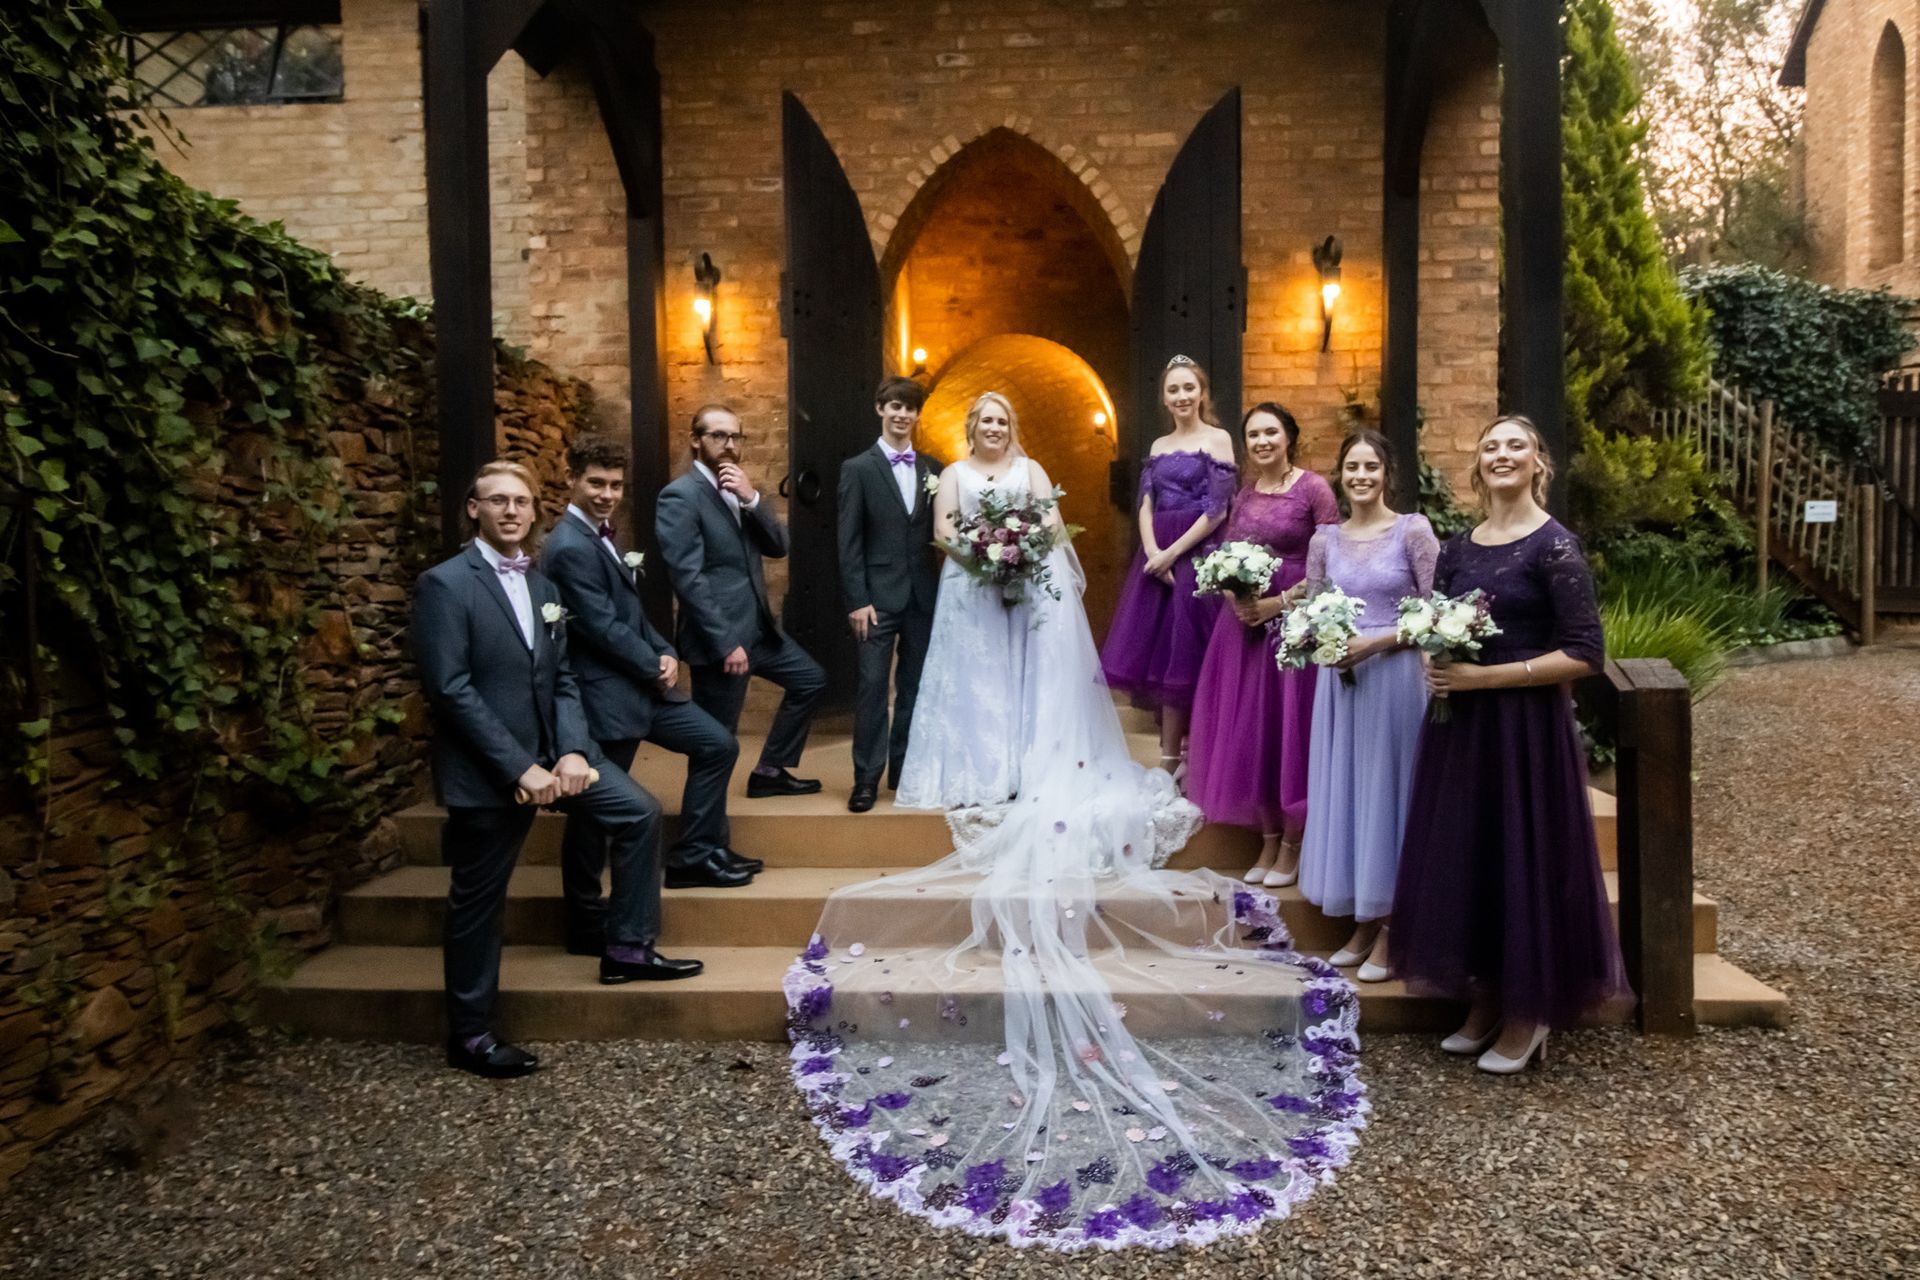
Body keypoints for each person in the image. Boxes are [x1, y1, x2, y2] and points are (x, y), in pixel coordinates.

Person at [790, 390, 1368, 1251]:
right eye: (983, 422)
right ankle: (965, 770)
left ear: (1013, 429)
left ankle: (1025, 768)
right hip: (971, 591)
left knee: (1022, 690)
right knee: (970, 690)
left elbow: (1054, 532)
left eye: (1000, 422)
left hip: (1022, 590)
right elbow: (946, 533)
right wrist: (986, 550)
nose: (993, 431)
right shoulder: (951, 477)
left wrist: (1034, 555)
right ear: (971, 430)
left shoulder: (1031, 471)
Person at [411, 461, 701, 1079]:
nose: (511, 511)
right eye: (498, 501)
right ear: (474, 509)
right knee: (479, 902)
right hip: (491, 770)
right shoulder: (444, 584)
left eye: (521, 501)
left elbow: (563, 677)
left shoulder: (542, 587)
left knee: (638, 811)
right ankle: (471, 1034)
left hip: (561, 755)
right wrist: (521, 768)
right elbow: (451, 689)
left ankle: (626, 946)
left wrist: (570, 750)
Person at [1391, 415, 1627, 1074]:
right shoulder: (1460, 546)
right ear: (1479, 465)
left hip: (1524, 730)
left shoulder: (1556, 548)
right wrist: (1434, 665)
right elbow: (1432, 619)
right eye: (1490, 445)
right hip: (1462, 730)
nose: (1501, 454)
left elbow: (1586, 651)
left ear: (1537, 462)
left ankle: (1531, 1012)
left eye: (1515, 445)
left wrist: (1485, 678)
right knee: (1472, 855)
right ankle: (1487, 995)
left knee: (1522, 859)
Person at [542, 435, 759, 915]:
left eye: (615, 485)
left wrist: (664, 650)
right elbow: (599, 627)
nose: (606, 494)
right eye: (596, 483)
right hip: (606, 695)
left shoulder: (603, 533)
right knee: (593, 814)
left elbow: (631, 614)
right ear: (571, 480)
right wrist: (651, 664)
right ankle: (582, 910)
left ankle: (695, 854)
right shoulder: (567, 546)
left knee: (717, 744)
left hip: (644, 684)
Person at [1296, 430, 1438, 983]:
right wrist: (1321, 646)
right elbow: (1308, 612)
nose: (1360, 476)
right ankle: (1364, 916)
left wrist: (1375, 643)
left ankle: (1393, 928)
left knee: (1390, 794)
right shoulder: (1324, 540)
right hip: (1341, 686)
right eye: (1351, 466)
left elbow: (1435, 611)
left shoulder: (1413, 531)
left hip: (1397, 679)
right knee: (1352, 795)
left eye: (1371, 466)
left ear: (1387, 473)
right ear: (1340, 474)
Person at [1185, 403, 1340, 887]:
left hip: (1295, 627)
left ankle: (1294, 843)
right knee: (1256, 733)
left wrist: (1278, 605)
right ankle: (1269, 839)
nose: (1262, 441)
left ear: (1289, 437)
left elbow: (1333, 563)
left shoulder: (1313, 489)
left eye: (1271, 432)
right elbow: (1228, 555)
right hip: (1244, 632)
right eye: (1253, 434)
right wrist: (1236, 596)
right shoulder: (1246, 495)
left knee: (1289, 731)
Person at [655, 405, 825, 798]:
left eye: (735, 437)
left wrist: (752, 499)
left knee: (810, 680)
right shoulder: (680, 496)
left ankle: (769, 770)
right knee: (717, 743)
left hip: (759, 631)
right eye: (718, 436)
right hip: (720, 642)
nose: (729, 445)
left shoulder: (738, 490)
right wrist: (725, 642)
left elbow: (779, 546)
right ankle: (702, 845)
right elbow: (689, 579)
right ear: (696, 441)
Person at [1099, 355, 1239, 784]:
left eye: (1188, 388)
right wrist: (1151, 551)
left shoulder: (1218, 440)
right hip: (1155, 557)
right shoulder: (1158, 447)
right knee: (1161, 659)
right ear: (1164, 397)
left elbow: (1217, 510)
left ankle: (1198, 758)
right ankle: (1166, 762)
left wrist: (1172, 553)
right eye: (1173, 390)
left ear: (1201, 393)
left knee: (1190, 656)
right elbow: (1145, 504)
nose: (1181, 396)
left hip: (1197, 553)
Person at [838, 376, 943, 813]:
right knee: (872, 688)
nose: (901, 414)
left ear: (918, 415)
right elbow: (849, 541)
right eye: (893, 406)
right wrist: (857, 599)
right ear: (880, 409)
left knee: (916, 688)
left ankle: (904, 771)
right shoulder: (858, 468)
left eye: (909, 408)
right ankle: (866, 779)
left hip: (922, 595)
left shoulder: (934, 470)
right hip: (876, 600)